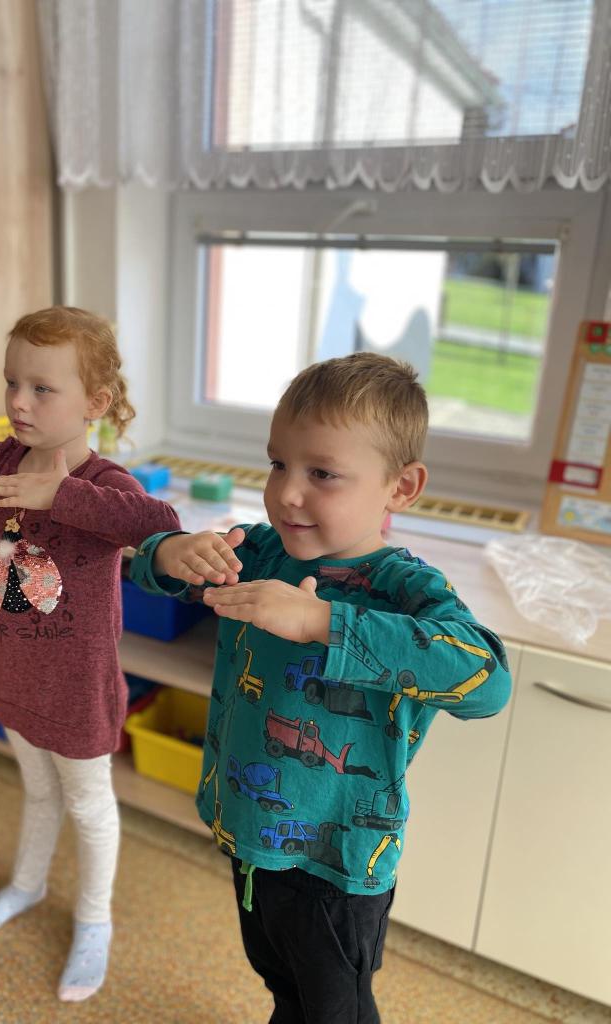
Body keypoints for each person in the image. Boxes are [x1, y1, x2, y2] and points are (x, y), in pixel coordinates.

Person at [129, 352, 512, 1024]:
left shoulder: (404, 588)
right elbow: (149, 570)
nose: (287, 493)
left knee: (338, 1009)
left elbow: (487, 679)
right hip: (252, 835)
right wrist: (167, 551)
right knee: (281, 981)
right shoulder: (261, 551)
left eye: (322, 474)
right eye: (278, 464)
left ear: (400, 487)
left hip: (337, 866)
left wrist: (322, 622)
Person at [0, 306, 180, 1003]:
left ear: (95, 402)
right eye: (12, 382)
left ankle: (94, 920)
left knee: (89, 807)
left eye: (42, 388)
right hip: (13, 675)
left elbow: (158, 525)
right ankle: (26, 885)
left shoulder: (107, 485)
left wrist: (62, 494)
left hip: (77, 690)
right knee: (39, 792)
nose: (19, 401)